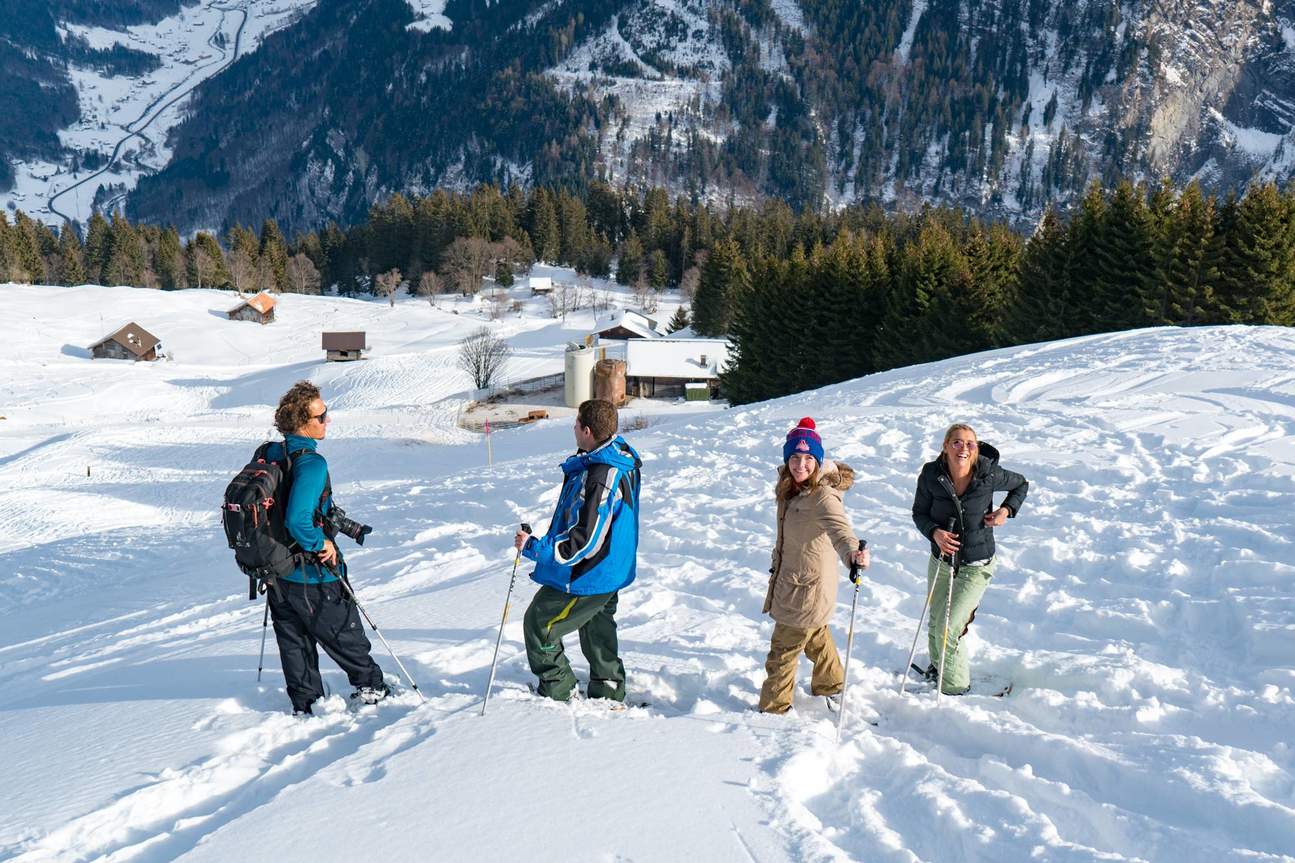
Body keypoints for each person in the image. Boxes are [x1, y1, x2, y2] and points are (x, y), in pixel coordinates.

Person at [265, 381, 387, 715]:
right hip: (311, 572)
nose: (327, 421)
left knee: (293, 640)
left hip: (276, 569)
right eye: (321, 416)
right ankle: (371, 688)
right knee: (343, 631)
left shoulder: (272, 453)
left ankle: (307, 702)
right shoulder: (312, 464)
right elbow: (297, 520)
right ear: (302, 422)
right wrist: (324, 543)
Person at [513, 399, 642, 703]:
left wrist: (535, 548)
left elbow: (585, 540)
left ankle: (558, 686)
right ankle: (607, 685)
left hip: (591, 572)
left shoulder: (602, 475)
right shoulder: (617, 457)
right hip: (612, 567)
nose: (572, 429)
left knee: (539, 623)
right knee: (597, 624)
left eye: (575, 424)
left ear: (586, 430)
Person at [758, 418, 870, 714]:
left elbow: (841, 531)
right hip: (795, 580)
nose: (801, 465)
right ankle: (831, 683)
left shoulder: (823, 496)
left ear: (818, 461)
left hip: (805, 589)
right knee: (816, 636)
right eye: (795, 457)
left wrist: (853, 554)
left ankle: (773, 708)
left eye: (809, 458)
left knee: (782, 650)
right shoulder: (789, 486)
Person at [911, 423, 1028, 695]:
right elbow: (919, 513)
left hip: (976, 564)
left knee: (948, 628)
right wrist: (935, 532)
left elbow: (1021, 484)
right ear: (945, 446)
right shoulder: (931, 474)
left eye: (970, 443)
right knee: (936, 619)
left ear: (976, 449)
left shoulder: (988, 474)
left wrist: (1006, 511)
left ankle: (954, 688)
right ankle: (939, 669)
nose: (963, 448)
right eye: (957, 442)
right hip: (941, 558)